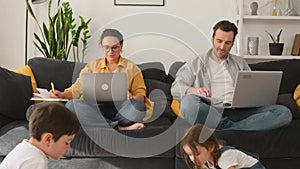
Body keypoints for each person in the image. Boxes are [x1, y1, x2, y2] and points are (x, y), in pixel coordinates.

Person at [171, 20, 292, 130]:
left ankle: (231, 128)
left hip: (240, 110)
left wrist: (254, 96)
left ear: (233, 43)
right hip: (212, 111)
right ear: (212, 39)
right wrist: (194, 91)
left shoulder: (240, 63)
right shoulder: (195, 63)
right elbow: (175, 88)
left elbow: (252, 88)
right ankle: (235, 127)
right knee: (188, 104)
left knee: (283, 113)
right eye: (219, 41)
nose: (222, 47)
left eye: (227, 43)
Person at [50, 28, 153, 130]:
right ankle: (118, 128)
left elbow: (140, 95)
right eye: (106, 48)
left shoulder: (132, 68)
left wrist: (132, 97)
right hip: (95, 109)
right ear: (101, 46)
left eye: (115, 48)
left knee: (138, 106)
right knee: (72, 105)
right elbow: (76, 89)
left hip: (121, 110)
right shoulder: (92, 66)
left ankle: (103, 124)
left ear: (121, 46)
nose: (110, 52)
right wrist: (62, 94)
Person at [0, 102, 80, 169]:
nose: (69, 147)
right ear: (48, 139)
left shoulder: (24, 149)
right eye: (67, 142)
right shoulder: (35, 160)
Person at [181, 124, 266, 169]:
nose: (193, 159)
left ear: (210, 147)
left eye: (197, 154)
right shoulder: (206, 160)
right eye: (190, 154)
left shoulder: (225, 157)